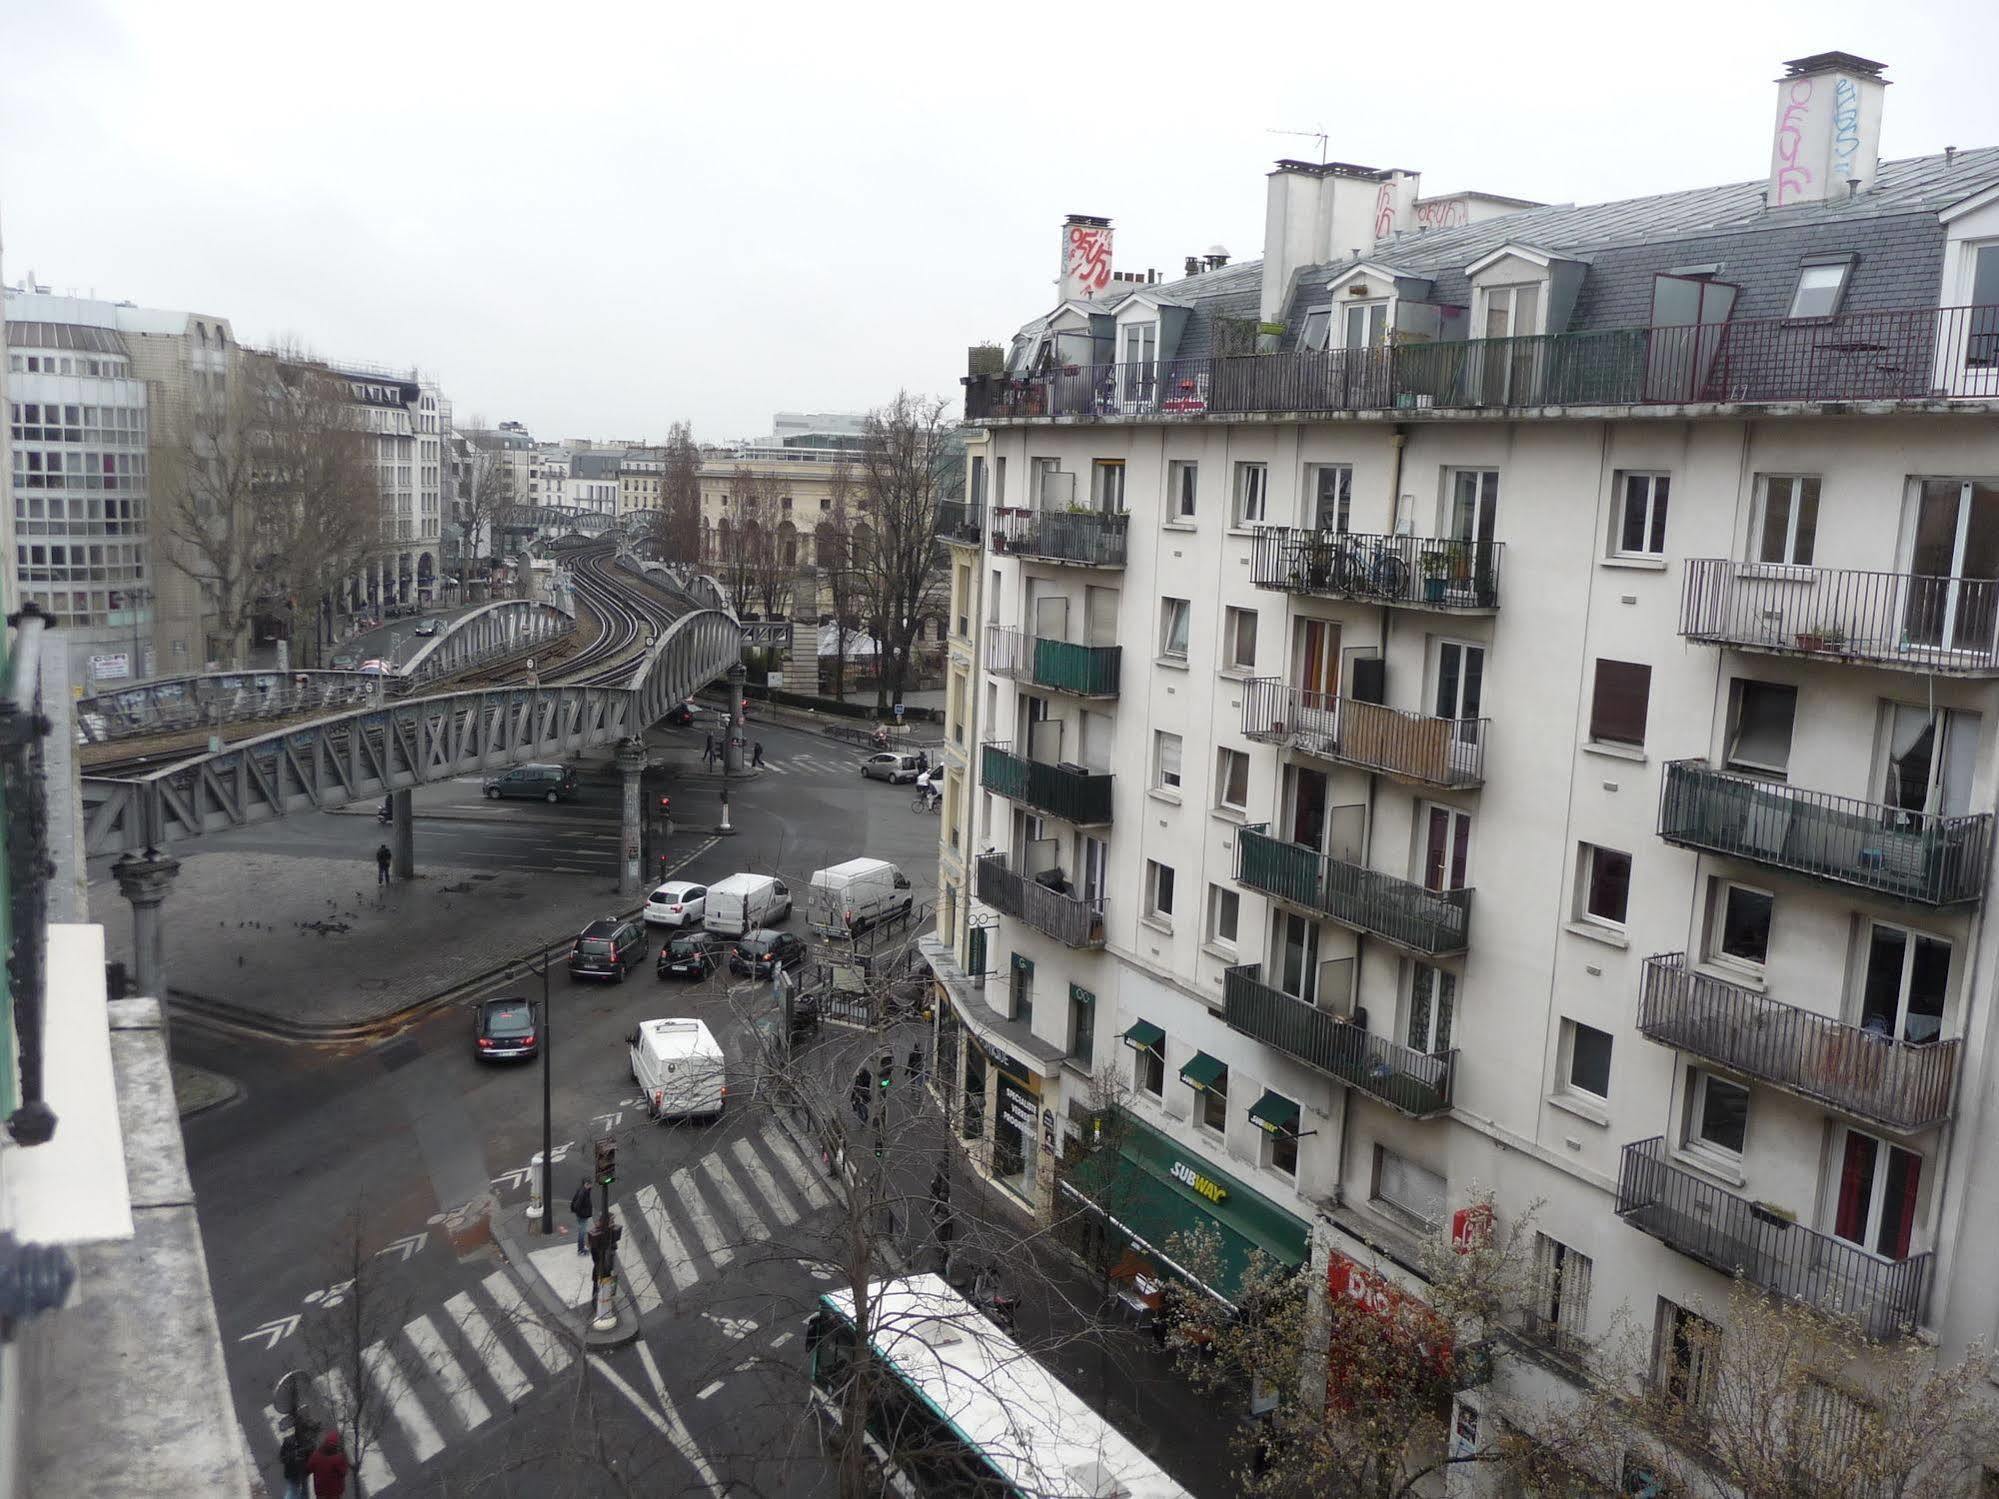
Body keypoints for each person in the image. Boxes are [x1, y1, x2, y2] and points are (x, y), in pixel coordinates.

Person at [305, 1429, 350, 1499]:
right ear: (336, 1445)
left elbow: (308, 1468)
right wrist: (344, 1455)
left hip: (320, 1493)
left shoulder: (316, 1455)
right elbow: (344, 1471)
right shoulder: (338, 1458)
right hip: (334, 1493)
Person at [277, 1422, 313, 1499]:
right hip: (294, 1472)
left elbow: (310, 1455)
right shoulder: (288, 1442)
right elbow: (282, 1458)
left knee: (301, 1490)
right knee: (294, 1490)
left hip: (301, 1471)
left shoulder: (305, 1442)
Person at [571, 1176, 594, 1254]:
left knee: (582, 1231)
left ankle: (582, 1247)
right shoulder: (583, 1193)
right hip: (582, 1216)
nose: (591, 1186)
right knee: (582, 1232)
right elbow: (577, 1205)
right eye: (590, 1184)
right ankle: (581, 1249)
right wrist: (582, 1213)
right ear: (586, 1184)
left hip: (582, 1215)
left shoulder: (584, 1190)